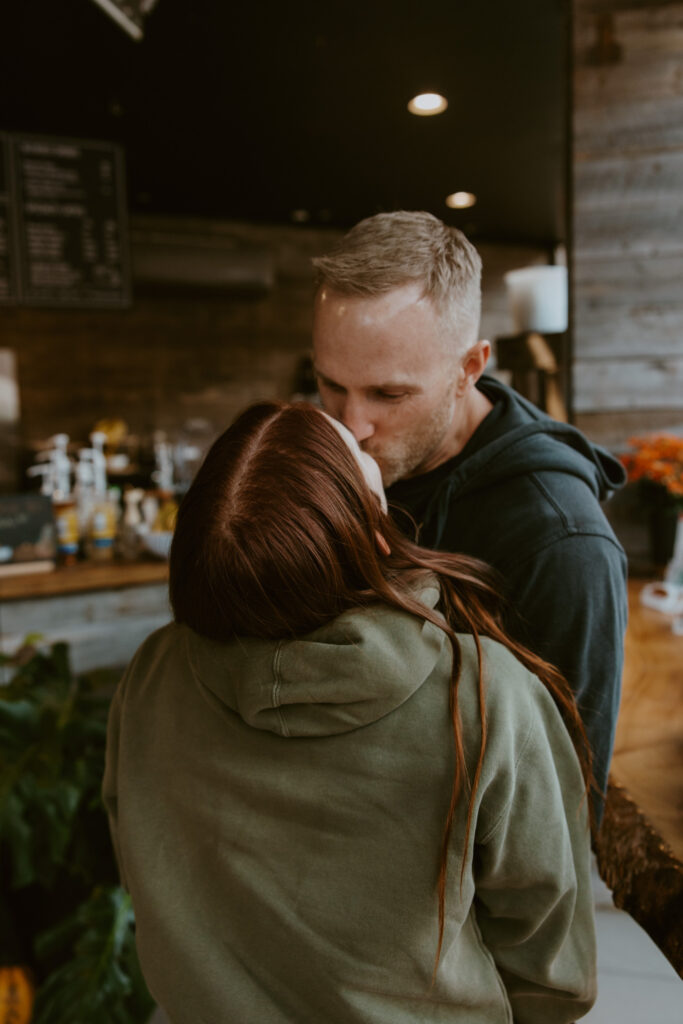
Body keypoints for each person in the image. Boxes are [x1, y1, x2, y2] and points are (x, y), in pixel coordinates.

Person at [103, 401, 597, 1024]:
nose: (366, 434)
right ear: (368, 529)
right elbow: (556, 974)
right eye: (357, 456)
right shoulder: (485, 695)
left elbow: (142, 870)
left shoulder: (153, 673)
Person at [311, 210, 628, 811]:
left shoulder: (561, 541)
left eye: (388, 393)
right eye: (330, 384)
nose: (352, 426)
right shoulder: (344, 459)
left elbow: (561, 811)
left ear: (470, 369)